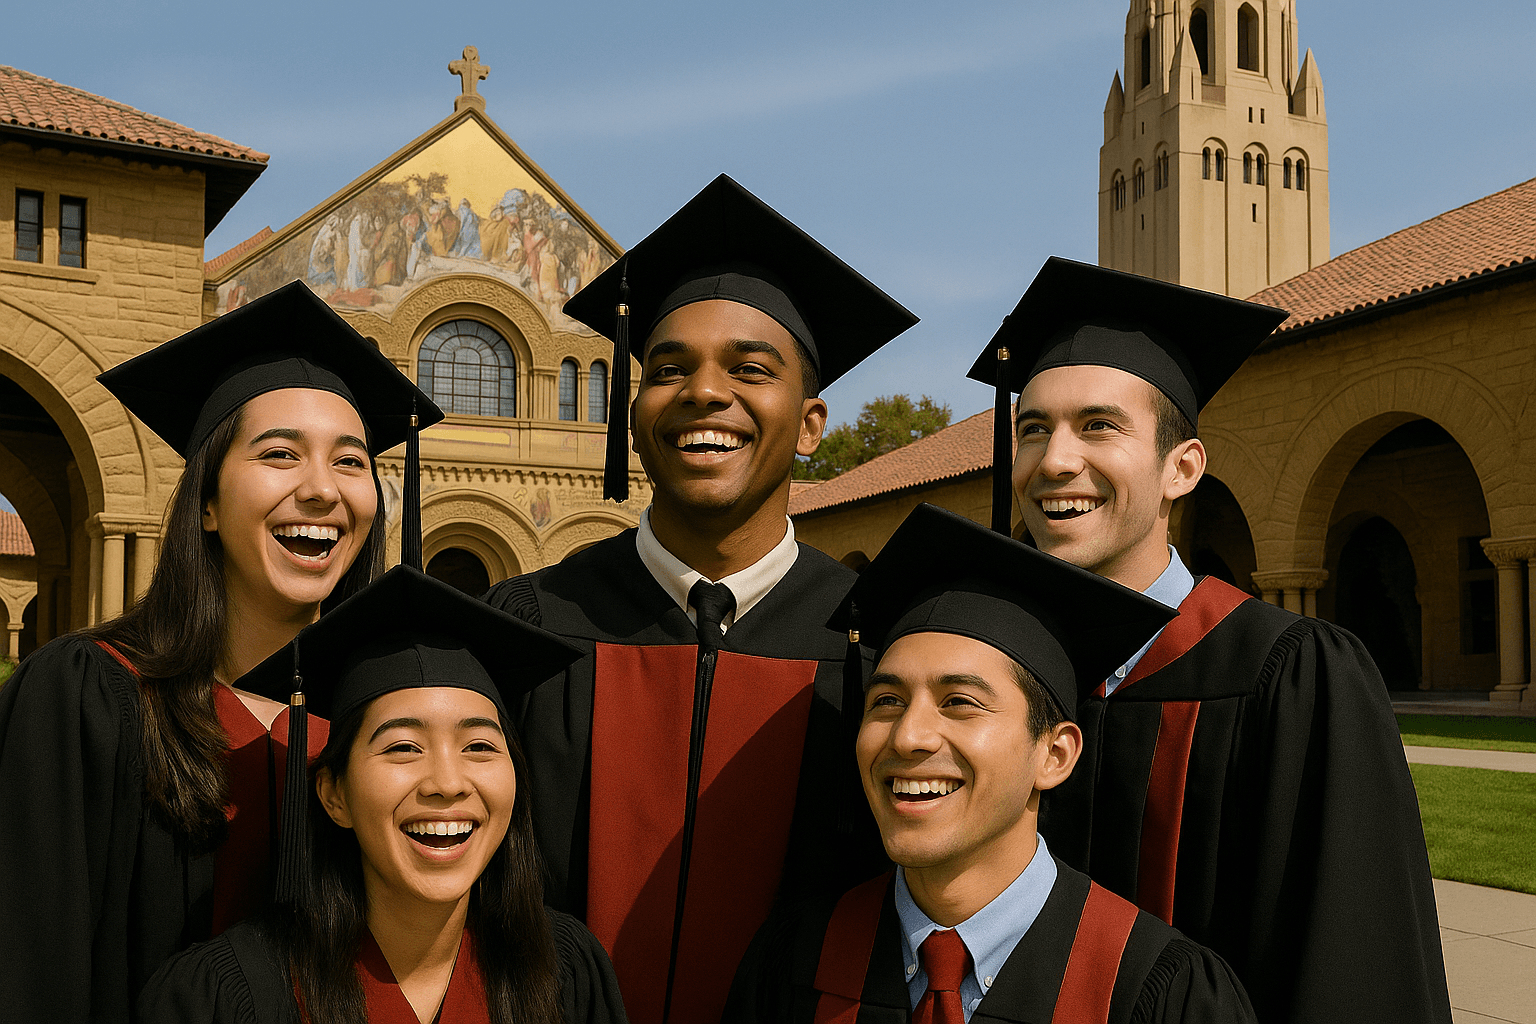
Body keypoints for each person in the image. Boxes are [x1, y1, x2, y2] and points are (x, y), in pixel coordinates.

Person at [966, 256, 1451, 1024]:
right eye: (1033, 429)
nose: (1055, 461)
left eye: (1098, 425)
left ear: (1181, 468)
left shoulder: (1291, 676)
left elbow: (1354, 966)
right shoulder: (991, 676)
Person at [485, 174, 919, 1024]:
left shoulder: (880, 644)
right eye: (668, 369)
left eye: (750, 369)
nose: (704, 393)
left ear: (812, 422)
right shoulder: (525, 628)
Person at [0, 281, 441, 1023]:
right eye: (279, 454)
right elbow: (31, 969)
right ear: (205, 502)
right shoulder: (90, 699)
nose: (321, 490)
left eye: (350, 461)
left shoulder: (382, 722)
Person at [727, 502, 1255, 1024]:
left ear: (1055, 754)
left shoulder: (1155, 990)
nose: (908, 736)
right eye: (886, 701)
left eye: (960, 702)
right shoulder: (793, 963)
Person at [138, 566, 630, 1024]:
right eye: (403, 747)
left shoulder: (565, 973)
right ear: (334, 796)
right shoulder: (225, 999)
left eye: (479, 745)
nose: (447, 783)